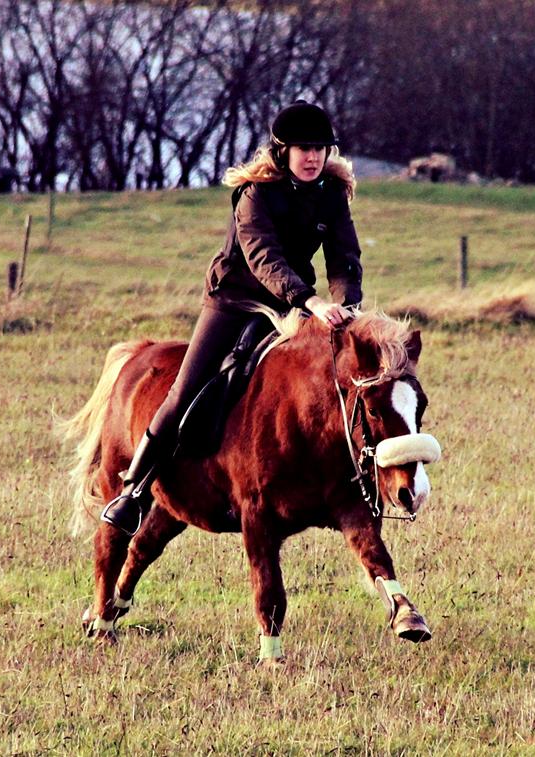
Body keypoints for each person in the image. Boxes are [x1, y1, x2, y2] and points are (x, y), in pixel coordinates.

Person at [101, 101, 364, 533]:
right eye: (304, 149)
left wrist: (347, 308)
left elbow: (344, 258)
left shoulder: (331, 195)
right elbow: (264, 258)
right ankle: (134, 488)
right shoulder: (254, 194)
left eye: (320, 148)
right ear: (283, 152)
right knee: (186, 389)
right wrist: (311, 301)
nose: (314, 157)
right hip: (234, 301)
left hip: (287, 307)